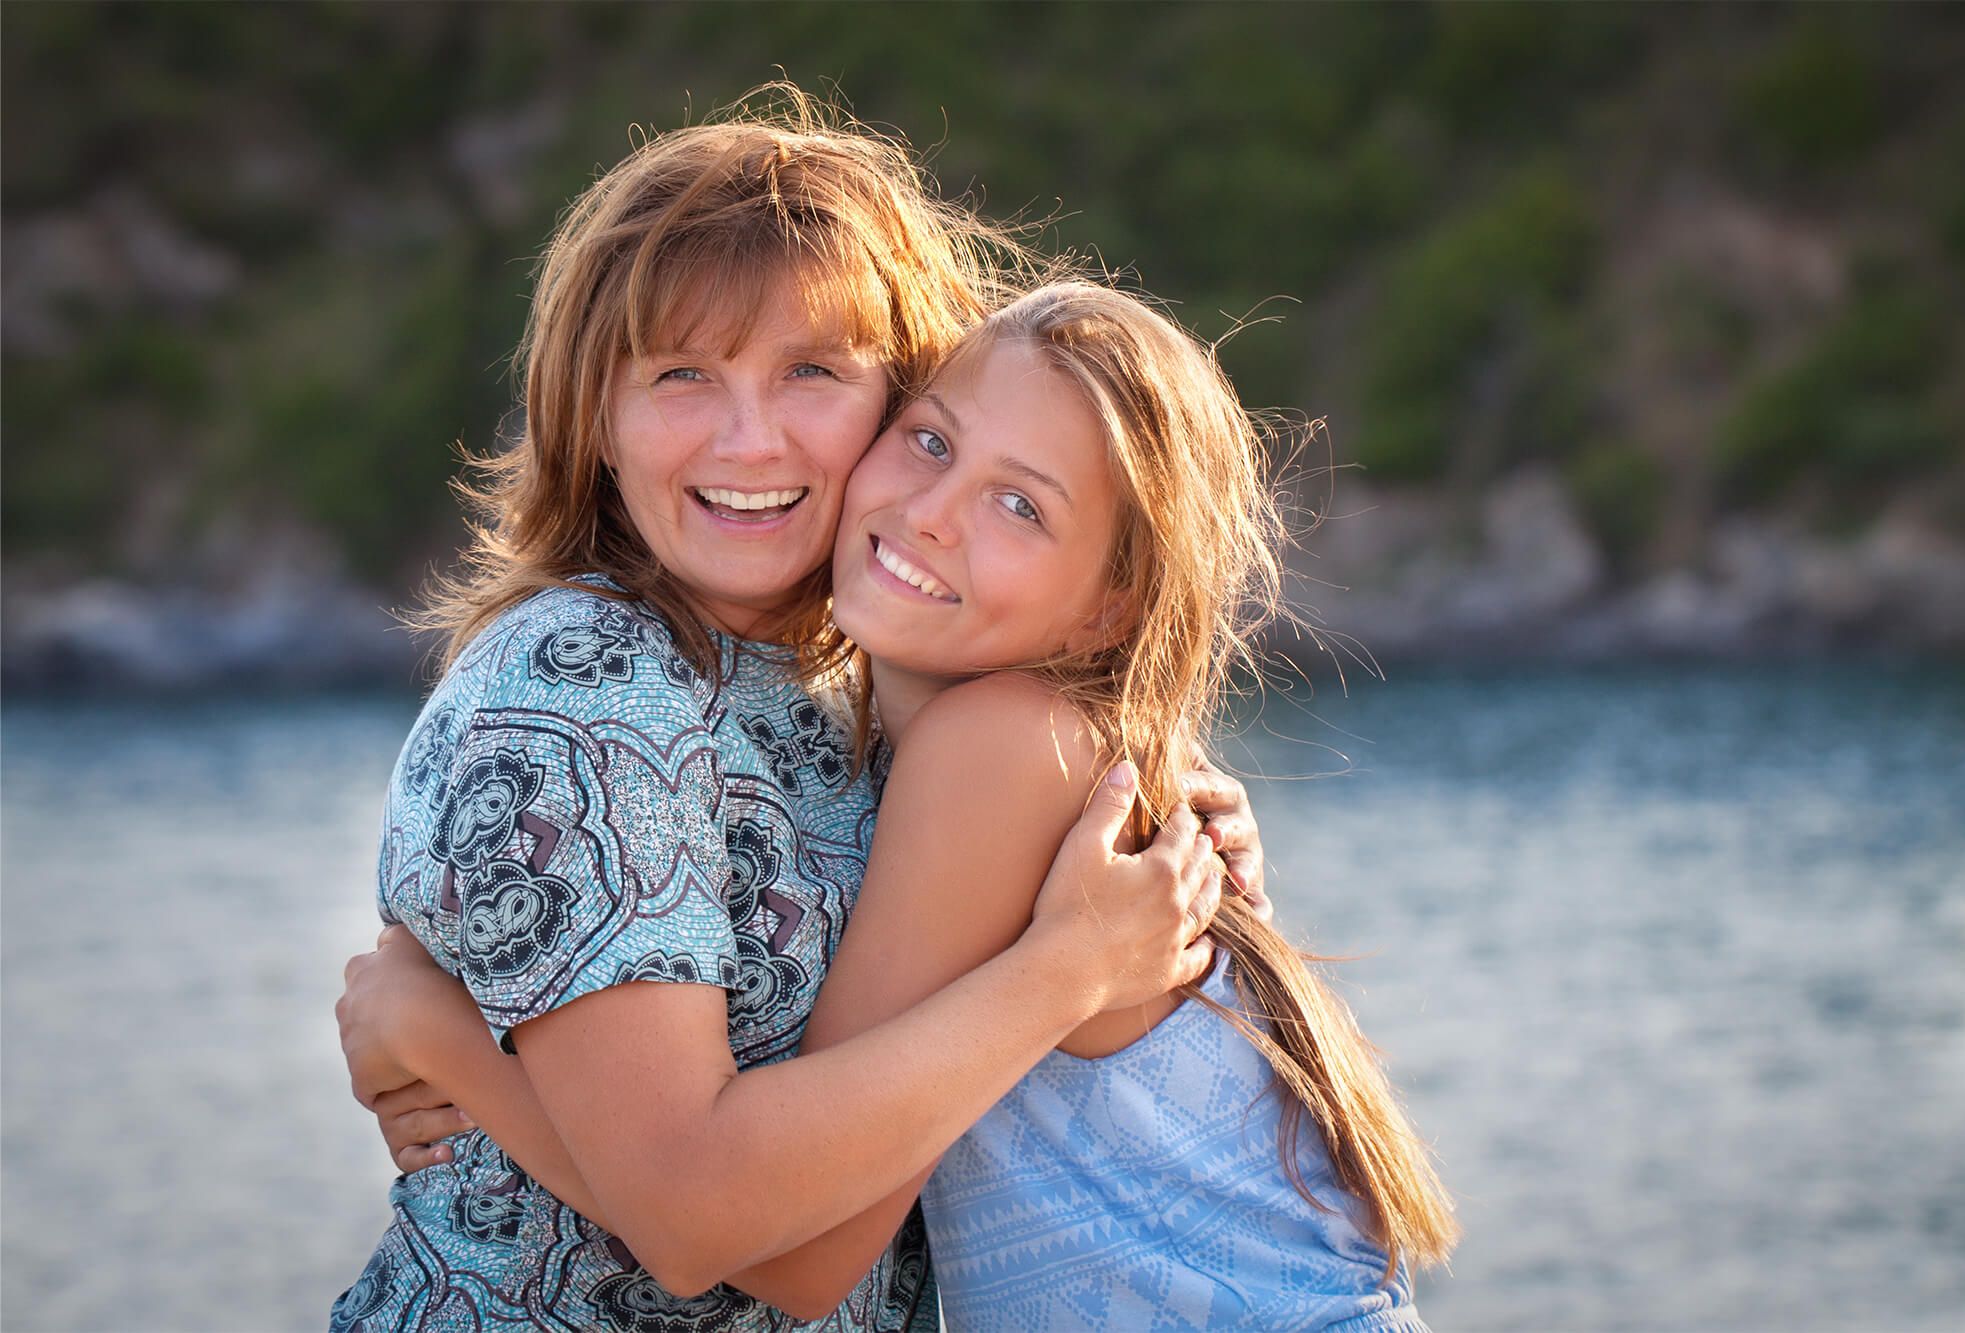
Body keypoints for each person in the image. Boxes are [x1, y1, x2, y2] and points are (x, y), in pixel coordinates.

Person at [343, 281, 1458, 1329]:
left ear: (1107, 606)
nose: (930, 513)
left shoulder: (1003, 749)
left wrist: (448, 1039)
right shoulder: (951, 749)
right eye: (929, 441)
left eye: (1019, 505)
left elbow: (794, 1257)